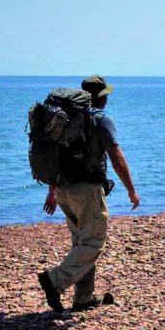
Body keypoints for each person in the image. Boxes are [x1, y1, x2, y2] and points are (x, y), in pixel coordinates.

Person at [37, 75, 139, 312]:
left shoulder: (66, 117)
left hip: (63, 188)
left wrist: (52, 191)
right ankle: (54, 280)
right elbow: (116, 157)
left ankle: (83, 298)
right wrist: (131, 190)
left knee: (81, 244)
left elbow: (56, 155)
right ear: (101, 97)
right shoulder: (101, 120)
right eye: (106, 95)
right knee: (93, 243)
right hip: (87, 191)